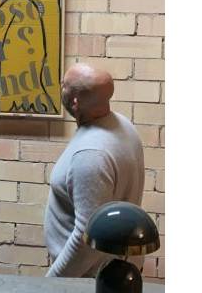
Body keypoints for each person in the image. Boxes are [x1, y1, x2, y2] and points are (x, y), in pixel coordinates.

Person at [44, 64, 145, 277]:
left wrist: (53, 282)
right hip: (114, 269)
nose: (60, 86)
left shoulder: (90, 156)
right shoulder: (123, 125)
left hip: (87, 279)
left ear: (75, 102)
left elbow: (87, 239)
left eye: (64, 85)